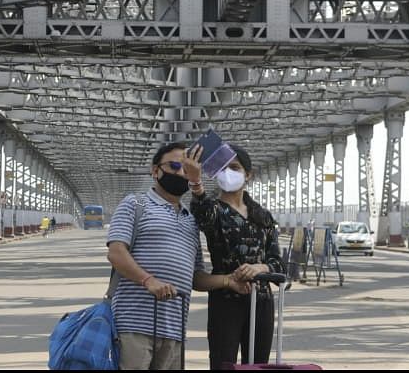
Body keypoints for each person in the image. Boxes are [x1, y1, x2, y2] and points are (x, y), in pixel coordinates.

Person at [107, 142, 250, 370]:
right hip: (133, 325)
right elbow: (116, 252)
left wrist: (227, 281)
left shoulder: (191, 220)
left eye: (186, 168)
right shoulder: (135, 204)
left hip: (174, 329)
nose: (181, 173)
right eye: (174, 166)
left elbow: (195, 277)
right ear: (155, 171)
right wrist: (148, 280)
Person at [183, 143, 285, 369]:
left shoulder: (262, 215)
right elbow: (203, 215)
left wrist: (260, 268)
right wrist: (196, 183)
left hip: (262, 301)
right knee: (223, 362)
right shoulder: (214, 210)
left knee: (258, 364)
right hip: (225, 300)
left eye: (235, 168)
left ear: (248, 175)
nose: (228, 173)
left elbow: (278, 262)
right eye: (223, 168)